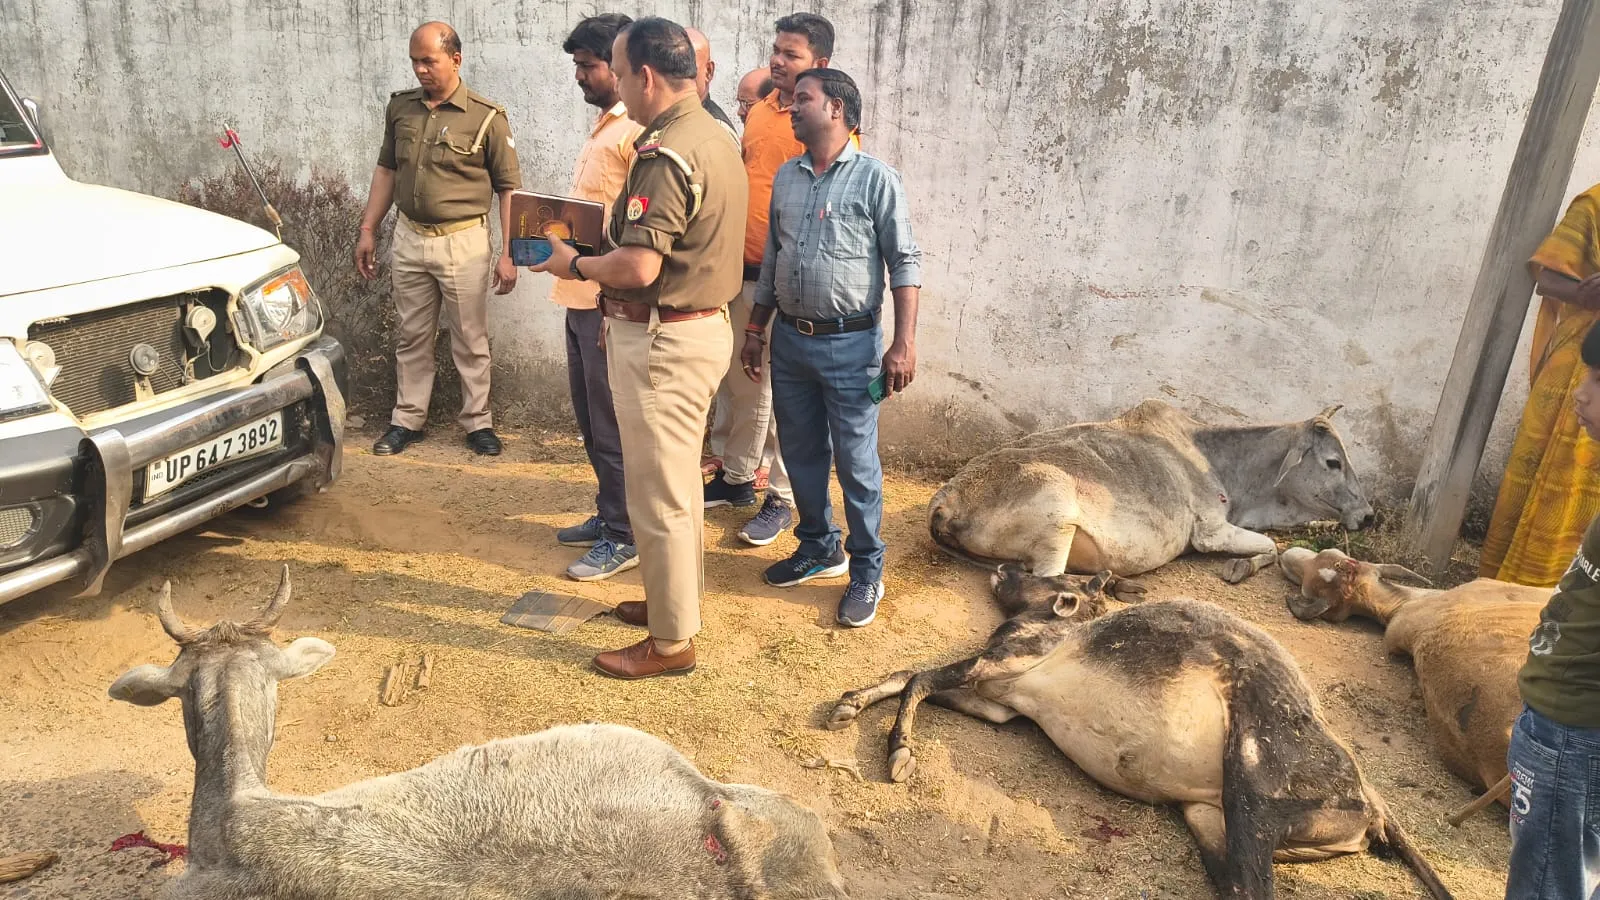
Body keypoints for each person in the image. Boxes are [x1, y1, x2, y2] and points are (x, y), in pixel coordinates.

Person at [530, 16, 747, 679]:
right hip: (690, 331)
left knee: (659, 496)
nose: (617, 85)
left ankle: (672, 642)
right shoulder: (711, 133)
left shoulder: (666, 152)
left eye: (619, 73)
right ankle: (668, 605)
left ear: (645, 76)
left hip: (664, 340)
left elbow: (640, 268)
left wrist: (574, 264)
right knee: (673, 488)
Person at [741, 68, 921, 628]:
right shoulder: (789, 178)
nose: (790, 108)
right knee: (800, 453)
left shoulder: (875, 180)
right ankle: (819, 545)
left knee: (856, 460)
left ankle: (867, 569)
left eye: (803, 100)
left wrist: (903, 344)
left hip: (852, 346)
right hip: (791, 341)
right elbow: (772, 259)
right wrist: (756, 328)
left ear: (837, 109)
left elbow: (905, 263)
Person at [705, 12, 843, 548]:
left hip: (794, 280)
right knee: (743, 377)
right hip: (744, 270)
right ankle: (738, 477)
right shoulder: (762, 110)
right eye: (776, 51)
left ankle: (782, 497)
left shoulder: (827, 117)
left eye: (792, 55)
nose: (778, 62)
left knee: (788, 396)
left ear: (821, 65)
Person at [356, 21, 521, 458]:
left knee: (470, 338)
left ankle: (478, 423)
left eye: (428, 61)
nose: (420, 70)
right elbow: (386, 171)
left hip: (462, 242)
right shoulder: (401, 109)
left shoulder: (487, 117)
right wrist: (368, 228)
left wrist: (510, 252)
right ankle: (407, 419)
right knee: (411, 335)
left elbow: (509, 190)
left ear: (455, 59)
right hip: (410, 238)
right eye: (414, 61)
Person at [1503, 318, 1600, 899]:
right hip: (1565, 725)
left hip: (1570, 731)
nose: (1581, 393)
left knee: (1547, 880)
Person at [549, 13, 647, 581]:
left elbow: (635, 228)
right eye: (578, 67)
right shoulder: (608, 128)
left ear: (619, 66)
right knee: (590, 418)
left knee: (611, 424)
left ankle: (623, 533)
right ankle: (609, 513)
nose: (580, 77)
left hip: (606, 301)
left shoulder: (635, 134)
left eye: (588, 66)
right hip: (578, 294)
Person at [1481, 183, 1600, 586]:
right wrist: (1590, 293)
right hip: (1579, 365)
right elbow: (1548, 280)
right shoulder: (1594, 204)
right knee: (1551, 479)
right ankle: (1518, 586)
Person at [684, 27, 738, 142]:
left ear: (708, 71)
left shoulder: (716, 131)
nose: (676, 77)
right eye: (670, 69)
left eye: (686, 69)